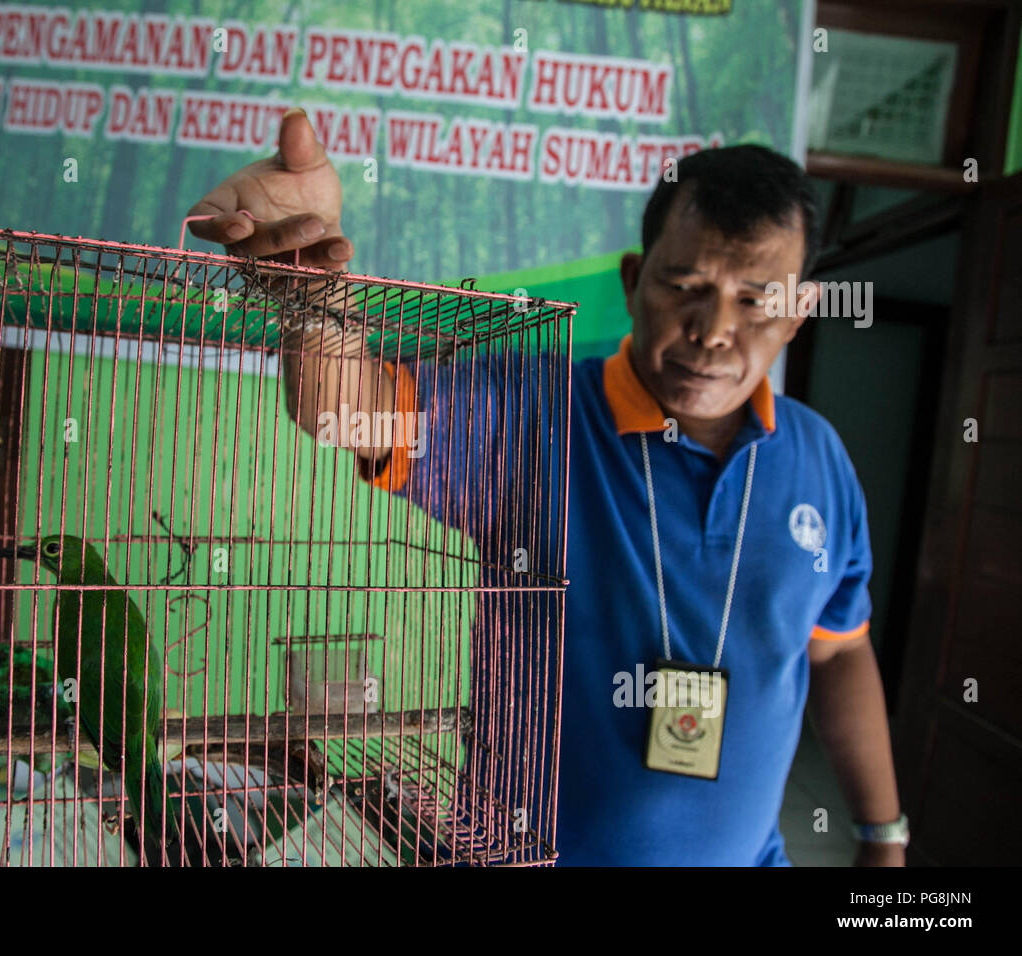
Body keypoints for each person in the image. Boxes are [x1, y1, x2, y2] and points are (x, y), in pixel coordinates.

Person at [187, 107, 906, 866]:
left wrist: (883, 834)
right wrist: (309, 296)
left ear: (799, 314)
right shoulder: (535, 416)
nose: (713, 329)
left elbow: (837, 651)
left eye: (757, 299)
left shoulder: (819, 459)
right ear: (635, 282)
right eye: (685, 285)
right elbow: (350, 411)